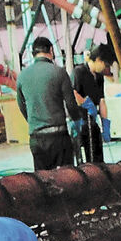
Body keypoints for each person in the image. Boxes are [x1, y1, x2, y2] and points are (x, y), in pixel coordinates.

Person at [16, 36, 83, 172]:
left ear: (33, 53)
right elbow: (71, 104)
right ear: (51, 50)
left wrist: (34, 122)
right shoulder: (59, 72)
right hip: (58, 138)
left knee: (43, 182)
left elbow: (22, 106)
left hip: (36, 139)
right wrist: (78, 121)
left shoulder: (22, 76)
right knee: (67, 179)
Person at [73, 43, 113, 163]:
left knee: (98, 155)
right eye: (106, 65)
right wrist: (85, 103)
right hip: (81, 122)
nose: (106, 68)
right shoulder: (79, 72)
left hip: (93, 120)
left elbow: (101, 100)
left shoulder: (99, 77)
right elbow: (72, 92)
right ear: (99, 60)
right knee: (87, 158)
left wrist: (106, 123)